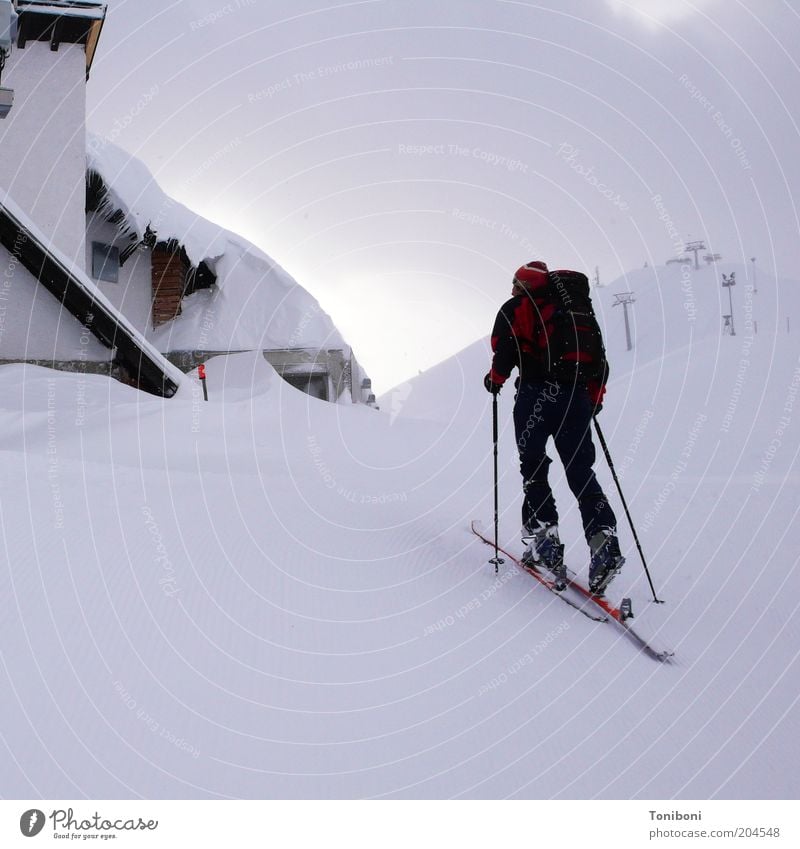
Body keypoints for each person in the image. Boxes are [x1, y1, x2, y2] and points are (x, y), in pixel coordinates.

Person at [483, 260, 624, 595]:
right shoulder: (576, 314)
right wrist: (593, 400)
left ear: (522, 285)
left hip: (535, 396)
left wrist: (494, 379)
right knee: (580, 470)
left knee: (534, 465)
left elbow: (503, 349)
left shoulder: (517, 307)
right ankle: (603, 538)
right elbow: (599, 362)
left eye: (515, 285)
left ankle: (543, 534)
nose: (513, 290)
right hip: (576, 398)